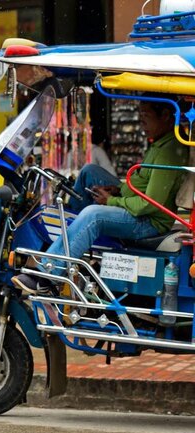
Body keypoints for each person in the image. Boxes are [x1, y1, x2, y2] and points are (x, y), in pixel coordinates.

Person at [13, 95, 189, 294]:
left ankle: (49, 274)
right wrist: (118, 190)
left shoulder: (168, 152)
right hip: (137, 207)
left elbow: (149, 204)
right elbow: (143, 184)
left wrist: (111, 200)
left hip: (148, 222)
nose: (141, 124)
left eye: (145, 117)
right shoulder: (159, 143)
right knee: (90, 172)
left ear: (165, 115)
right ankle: (71, 234)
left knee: (93, 215)